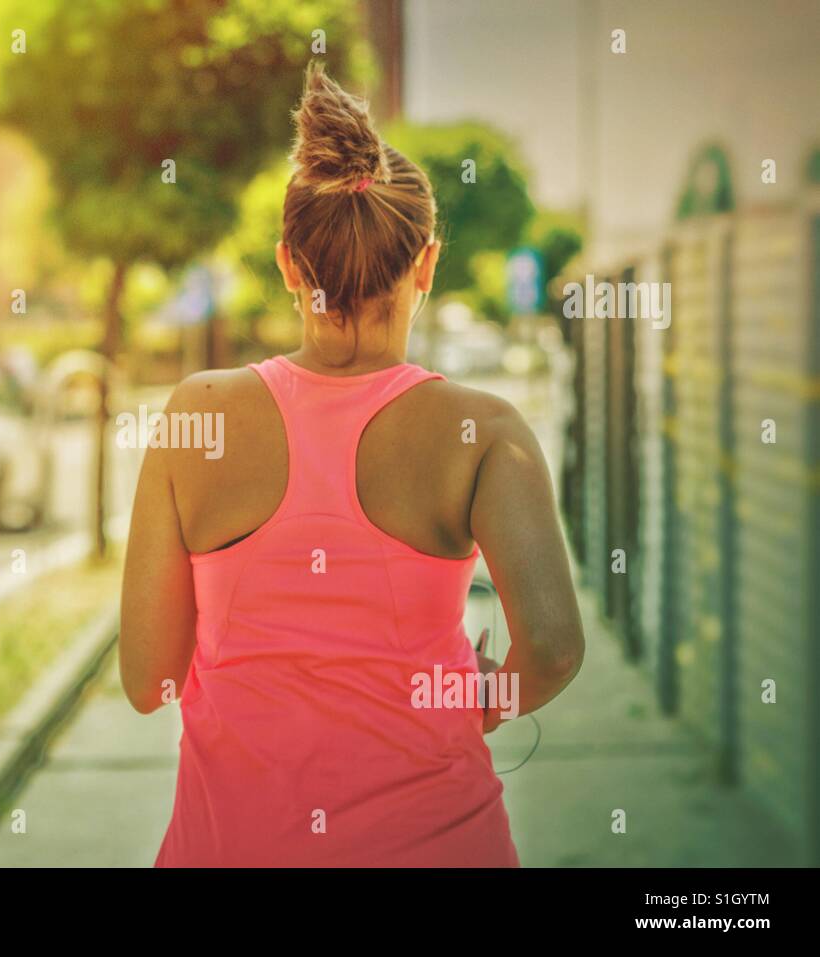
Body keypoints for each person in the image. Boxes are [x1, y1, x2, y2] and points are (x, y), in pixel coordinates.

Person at [119, 63, 584, 867]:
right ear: (427, 267)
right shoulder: (484, 430)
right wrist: (479, 698)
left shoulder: (196, 415)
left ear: (290, 264)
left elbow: (147, 679)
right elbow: (552, 647)